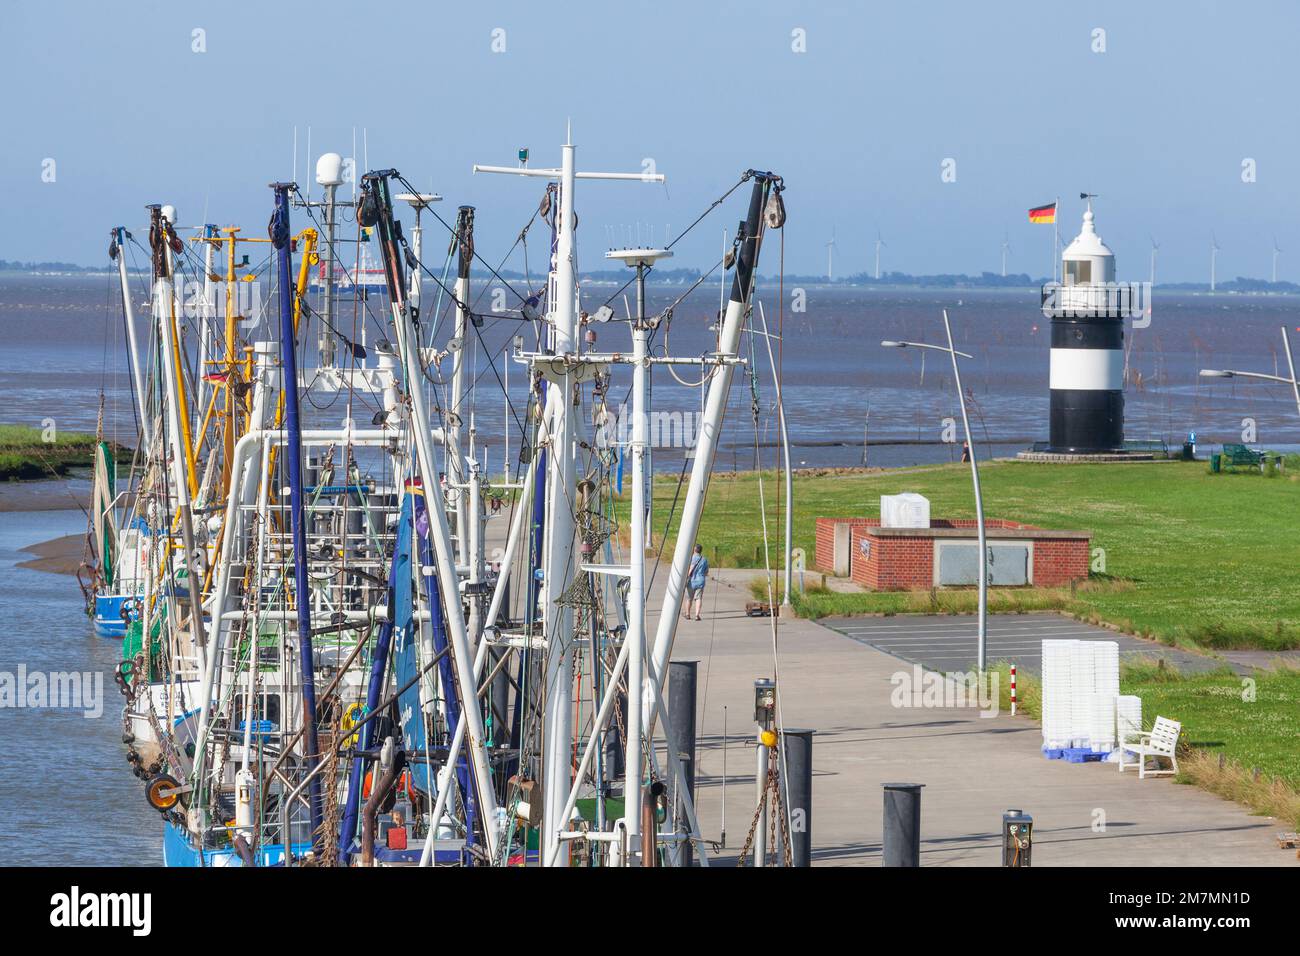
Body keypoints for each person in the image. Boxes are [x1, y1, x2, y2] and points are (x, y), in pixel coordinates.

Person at [685, 544, 709, 621]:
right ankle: (697, 615)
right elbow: (706, 572)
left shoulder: (690, 558)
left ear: (694, 550)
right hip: (700, 581)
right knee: (698, 598)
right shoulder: (704, 560)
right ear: (700, 550)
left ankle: (688, 614)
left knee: (689, 598)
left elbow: (686, 570)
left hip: (691, 581)